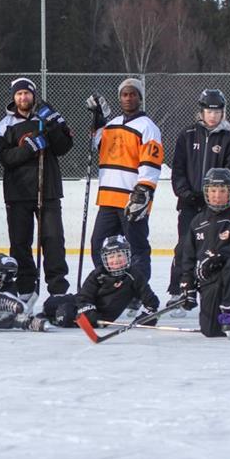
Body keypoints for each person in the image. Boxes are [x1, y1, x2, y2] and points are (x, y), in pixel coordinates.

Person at [0, 77, 74, 310]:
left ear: (33, 95)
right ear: (13, 97)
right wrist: (29, 148)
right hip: (18, 192)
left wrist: (54, 126)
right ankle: (26, 286)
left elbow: (63, 148)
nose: (23, 98)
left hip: (47, 189)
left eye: (26, 94)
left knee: (53, 239)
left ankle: (57, 289)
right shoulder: (4, 125)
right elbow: (5, 158)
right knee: (20, 242)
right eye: (18, 94)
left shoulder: (44, 118)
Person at [86, 78, 164, 316]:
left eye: (133, 94)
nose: (128, 98)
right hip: (108, 199)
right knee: (99, 245)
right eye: (124, 94)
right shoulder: (112, 125)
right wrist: (98, 119)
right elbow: (98, 146)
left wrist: (144, 190)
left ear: (140, 97)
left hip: (132, 200)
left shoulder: (148, 126)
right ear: (120, 98)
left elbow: (151, 161)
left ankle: (136, 294)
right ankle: (108, 288)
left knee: (137, 249)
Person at [167, 89, 230, 316]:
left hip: (216, 207)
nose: (212, 115)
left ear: (223, 113)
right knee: (184, 248)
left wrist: (216, 197)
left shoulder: (229, 139)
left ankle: (216, 294)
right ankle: (178, 293)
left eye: (217, 111)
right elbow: (177, 169)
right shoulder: (187, 135)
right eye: (209, 111)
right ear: (201, 112)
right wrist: (185, 193)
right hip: (190, 205)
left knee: (215, 250)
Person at [178, 168, 230, 337]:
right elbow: (188, 256)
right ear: (206, 192)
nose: (217, 195)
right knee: (211, 332)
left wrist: (219, 255)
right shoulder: (197, 221)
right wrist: (188, 285)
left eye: (222, 190)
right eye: (213, 190)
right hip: (208, 278)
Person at [54, 234, 160, 329]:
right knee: (53, 304)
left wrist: (149, 316)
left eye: (119, 255)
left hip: (100, 318)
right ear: (105, 259)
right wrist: (89, 312)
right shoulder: (98, 274)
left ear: (127, 255)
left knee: (66, 314)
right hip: (86, 309)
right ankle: (42, 318)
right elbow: (84, 297)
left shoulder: (134, 275)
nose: (116, 260)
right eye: (111, 257)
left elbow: (151, 301)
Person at [0, 253, 50, 332]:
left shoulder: (9, 290)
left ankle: (26, 322)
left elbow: (20, 309)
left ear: (6, 279)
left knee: (2, 313)